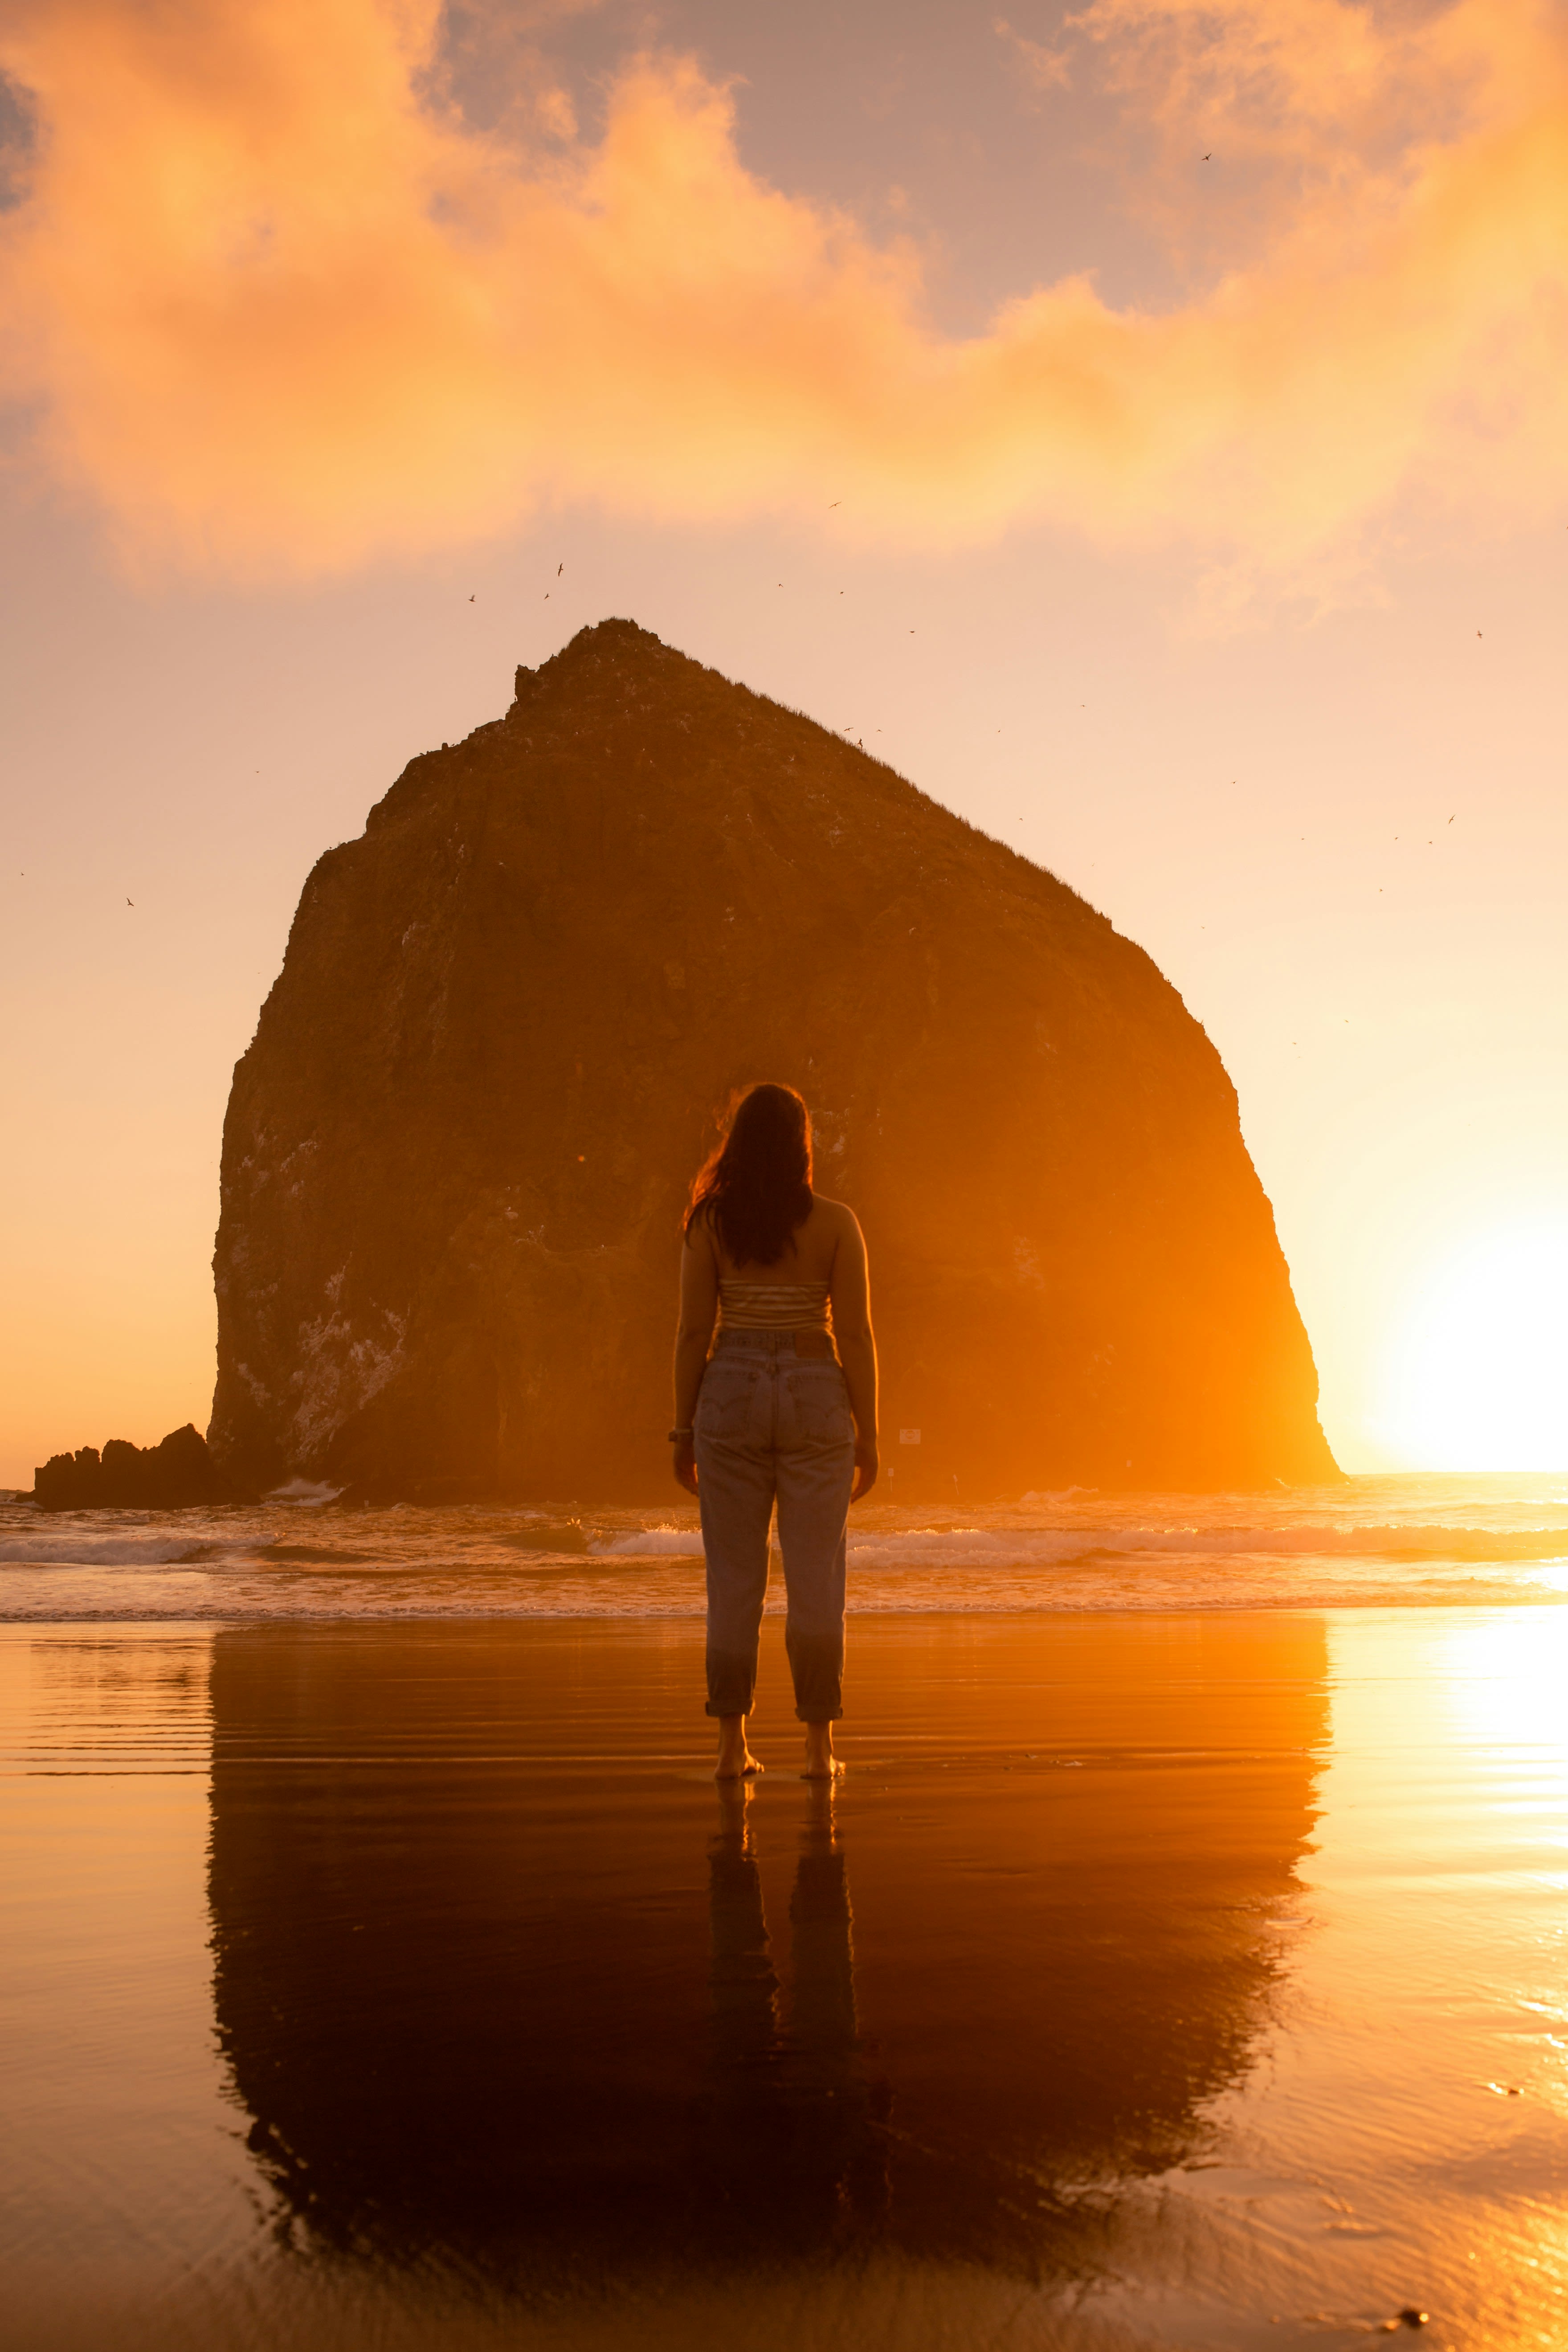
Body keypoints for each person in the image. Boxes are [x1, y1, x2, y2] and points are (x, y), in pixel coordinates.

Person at [671, 1084, 878, 1780]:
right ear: (802, 1148)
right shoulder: (838, 1224)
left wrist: (682, 1430)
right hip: (818, 1392)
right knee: (816, 1575)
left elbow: (694, 1333)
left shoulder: (709, 1226)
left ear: (738, 1143)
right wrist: (869, 1434)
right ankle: (819, 1751)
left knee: (734, 1578)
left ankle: (732, 1748)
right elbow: (854, 1333)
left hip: (728, 1389)